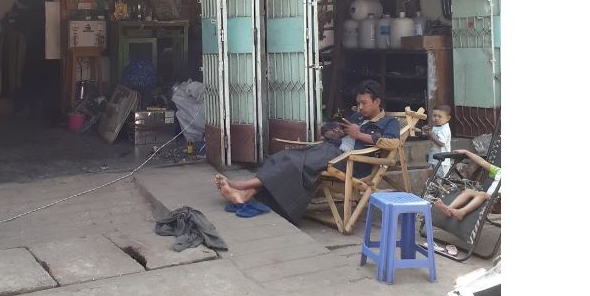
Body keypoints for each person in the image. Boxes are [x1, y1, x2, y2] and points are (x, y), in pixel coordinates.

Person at [214, 80, 400, 225]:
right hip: (331, 149)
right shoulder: (357, 117)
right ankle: (246, 195)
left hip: (349, 161)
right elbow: (332, 128)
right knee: (283, 157)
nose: (360, 107)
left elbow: (393, 143)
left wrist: (359, 134)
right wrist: (333, 132)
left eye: (364, 103)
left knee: (293, 164)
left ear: (377, 102)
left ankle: (243, 186)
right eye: (358, 103)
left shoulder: (389, 123)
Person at [432, 147, 501, 222]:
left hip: (498, 203)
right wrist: (466, 152)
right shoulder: (499, 171)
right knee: (468, 191)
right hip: (488, 199)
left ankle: (462, 212)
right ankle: (448, 209)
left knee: (482, 194)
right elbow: (482, 162)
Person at [421, 104, 453, 168]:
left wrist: (432, 135)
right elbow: (431, 138)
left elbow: (441, 143)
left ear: (448, 118)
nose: (436, 118)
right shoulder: (437, 127)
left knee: (440, 175)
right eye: (434, 115)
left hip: (442, 162)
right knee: (433, 174)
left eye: (439, 116)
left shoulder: (445, 129)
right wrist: (425, 131)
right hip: (435, 159)